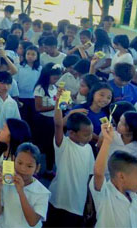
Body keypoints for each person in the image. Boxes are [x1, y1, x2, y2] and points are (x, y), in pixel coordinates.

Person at [47, 95, 94, 226]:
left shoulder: (89, 149)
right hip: (57, 201)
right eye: (86, 134)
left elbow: (90, 177)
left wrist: (89, 201)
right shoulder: (63, 144)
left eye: (91, 133)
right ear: (72, 133)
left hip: (77, 205)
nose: (90, 137)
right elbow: (58, 124)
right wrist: (58, 104)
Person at [0, 143, 51, 227]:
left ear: (37, 168)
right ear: (14, 160)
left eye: (29, 166)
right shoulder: (4, 181)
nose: (23, 169)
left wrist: (21, 192)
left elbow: (32, 222)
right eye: (19, 163)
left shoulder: (42, 192)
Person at [90, 123, 137, 227]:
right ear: (121, 176)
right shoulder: (105, 194)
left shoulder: (134, 196)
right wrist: (107, 140)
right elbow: (98, 173)